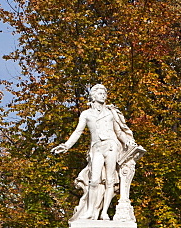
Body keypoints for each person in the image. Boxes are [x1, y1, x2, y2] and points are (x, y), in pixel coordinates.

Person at [52, 84, 140, 220]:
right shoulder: (86, 114)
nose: (103, 95)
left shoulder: (111, 112)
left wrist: (126, 140)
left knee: (110, 180)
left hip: (111, 146)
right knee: (94, 180)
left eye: (104, 93)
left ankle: (104, 212)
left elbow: (118, 131)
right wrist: (66, 145)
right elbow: (78, 131)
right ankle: (90, 211)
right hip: (97, 148)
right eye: (100, 93)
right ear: (93, 96)